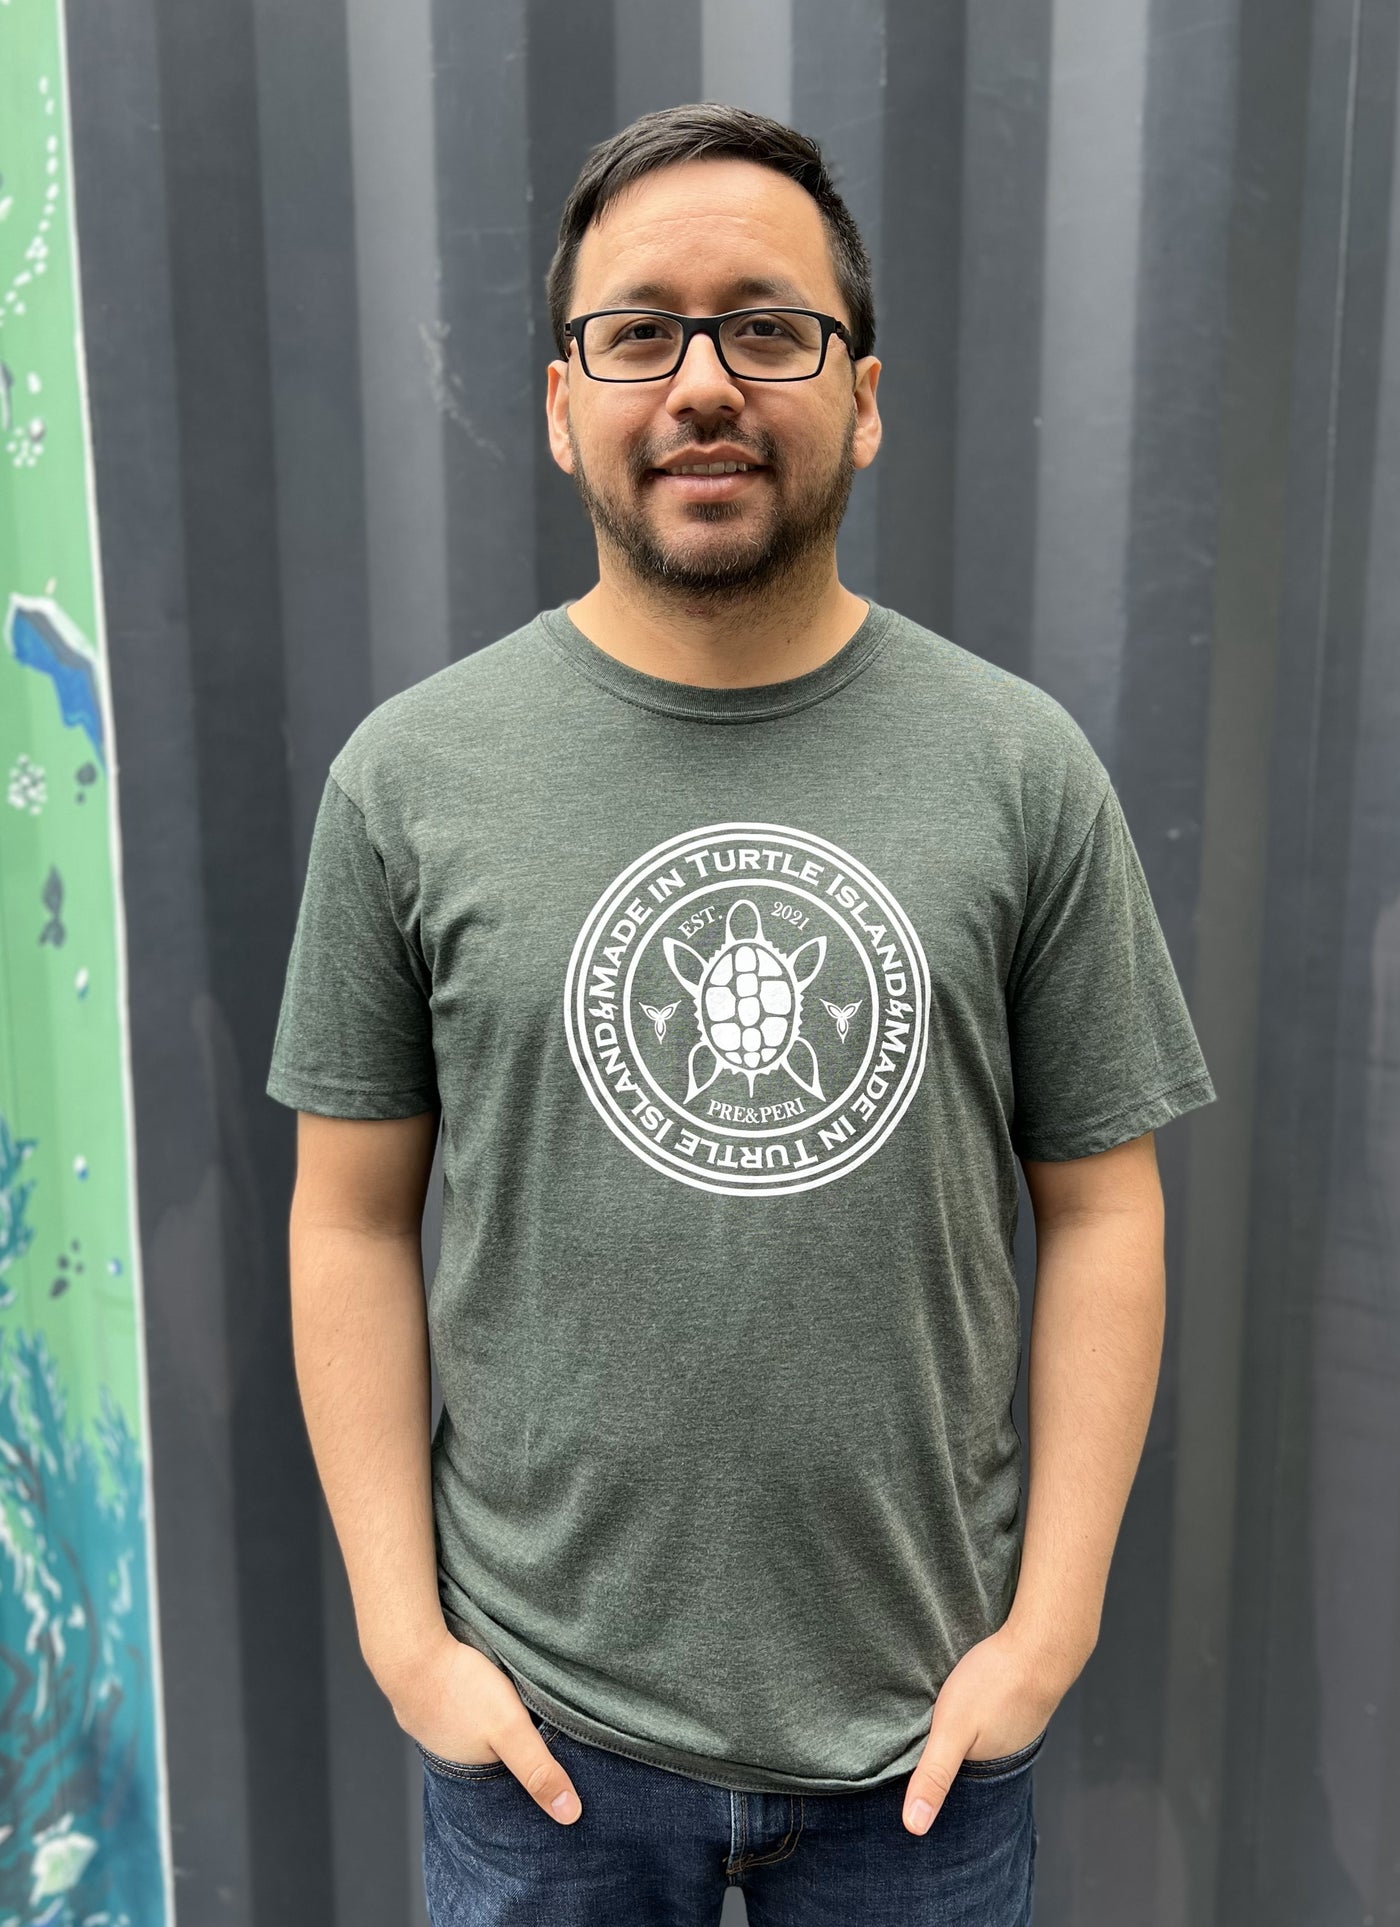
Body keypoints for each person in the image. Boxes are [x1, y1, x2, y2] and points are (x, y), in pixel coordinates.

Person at [266, 101, 1216, 1926]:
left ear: (863, 395)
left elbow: (1104, 1206)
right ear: (562, 404)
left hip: (920, 1762)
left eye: (769, 328)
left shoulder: (1019, 769)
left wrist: (1050, 1629)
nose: (703, 381)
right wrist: (405, 1643)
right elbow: (347, 1215)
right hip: (539, 1748)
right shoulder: (413, 778)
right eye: (639, 332)